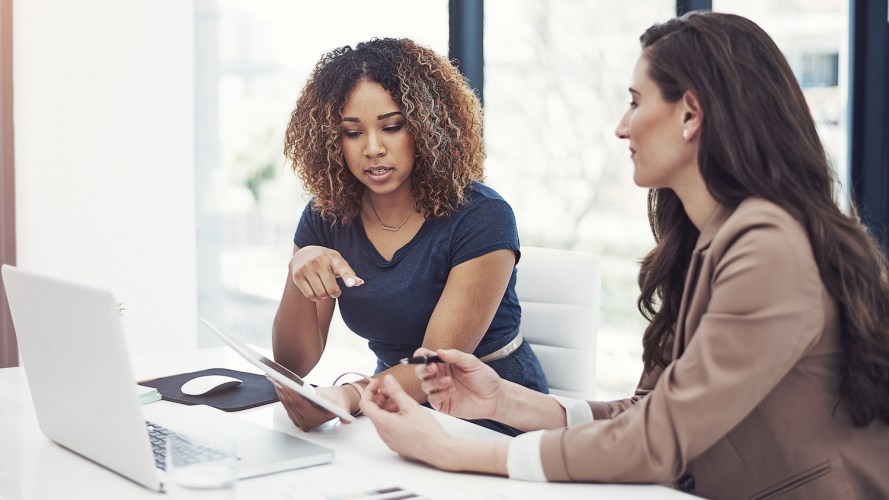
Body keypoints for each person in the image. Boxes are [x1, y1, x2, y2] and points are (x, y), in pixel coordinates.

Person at [358, 12, 889, 499]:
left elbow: (660, 440)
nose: (621, 126)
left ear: (691, 113)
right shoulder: (710, 240)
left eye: (636, 101)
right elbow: (653, 412)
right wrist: (506, 404)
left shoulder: (768, 248)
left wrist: (460, 451)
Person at [272, 37, 548, 434]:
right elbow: (294, 364)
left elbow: (436, 366)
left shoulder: (483, 215)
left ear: (427, 127)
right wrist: (298, 272)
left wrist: (350, 396)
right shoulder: (325, 218)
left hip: (490, 413)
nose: (372, 148)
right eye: (352, 133)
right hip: (386, 403)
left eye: (391, 127)